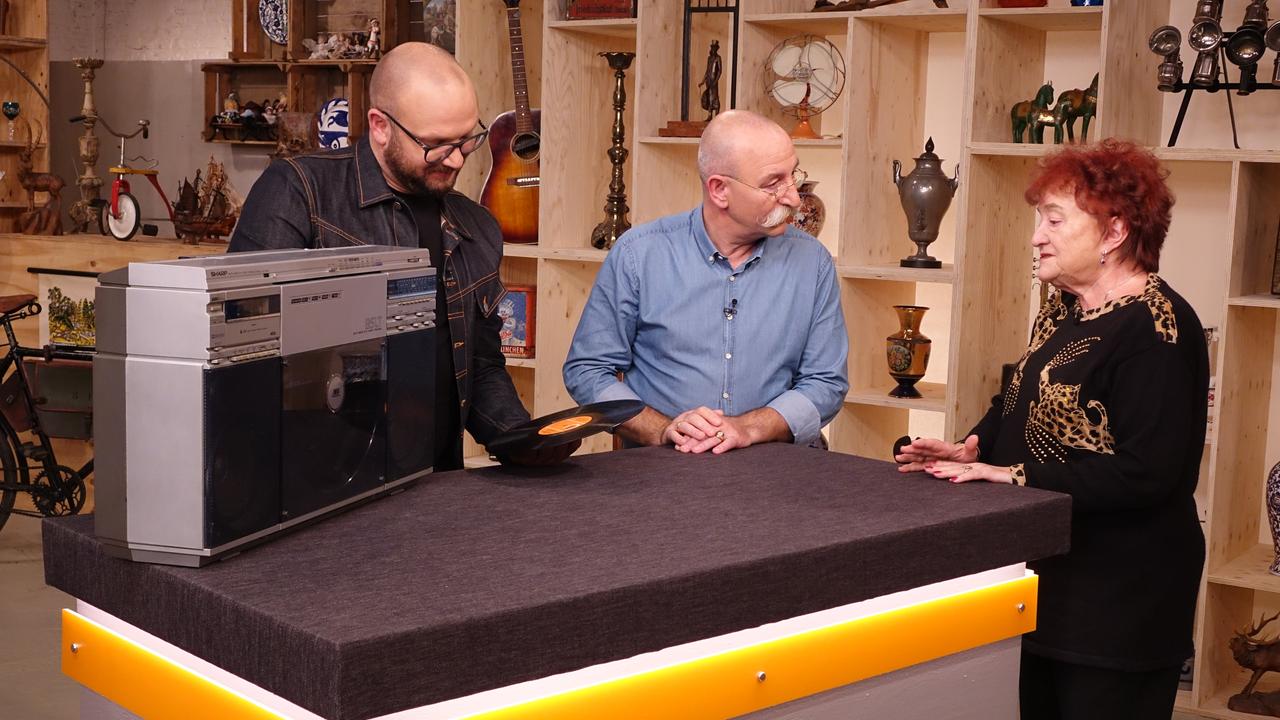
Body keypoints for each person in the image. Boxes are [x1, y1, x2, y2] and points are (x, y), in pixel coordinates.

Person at [895, 139, 1207, 720]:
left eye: (1055, 220)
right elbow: (1016, 399)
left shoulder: (1157, 329)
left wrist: (1008, 475)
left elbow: (1148, 474)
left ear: (1114, 232)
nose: (1037, 236)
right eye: (1039, 219)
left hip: (1120, 602)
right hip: (1044, 580)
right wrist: (973, 447)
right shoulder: (1062, 307)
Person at [230, 42, 574, 470]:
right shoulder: (301, 193)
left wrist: (522, 438)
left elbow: (481, 367)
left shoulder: (477, 226)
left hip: (436, 481)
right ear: (380, 126)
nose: (456, 160)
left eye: (467, 139)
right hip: (323, 482)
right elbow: (246, 356)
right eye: (436, 144)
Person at [563, 110, 848, 455]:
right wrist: (662, 429)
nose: (794, 198)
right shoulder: (639, 254)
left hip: (777, 466)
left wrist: (749, 428)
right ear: (719, 190)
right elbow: (588, 369)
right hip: (662, 467)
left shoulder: (813, 262)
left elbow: (826, 382)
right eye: (773, 183)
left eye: (793, 175)